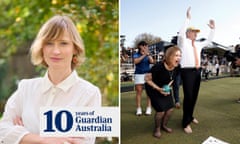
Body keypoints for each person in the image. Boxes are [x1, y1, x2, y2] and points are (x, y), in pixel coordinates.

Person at [0, 15, 101, 144]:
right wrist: (42, 140)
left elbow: (82, 142)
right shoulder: (26, 88)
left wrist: (23, 137)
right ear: (42, 48)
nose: (56, 51)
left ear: (75, 48)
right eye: (49, 43)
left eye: (63, 43)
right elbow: (2, 131)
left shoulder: (89, 93)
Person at [177, 7, 215, 133]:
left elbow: (209, 41)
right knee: (188, 97)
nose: (196, 34)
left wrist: (212, 29)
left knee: (194, 96)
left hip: (197, 72)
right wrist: (187, 19)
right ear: (188, 33)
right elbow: (181, 33)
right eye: (194, 32)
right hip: (186, 72)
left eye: (196, 33)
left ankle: (190, 116)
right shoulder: (183, 42)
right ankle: (185, 123)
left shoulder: (198, 44)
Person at [145, 46, 181, 138]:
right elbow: (147, 79)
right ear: (169, 56)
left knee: (170, 109)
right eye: (176, 55)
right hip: (153, 88)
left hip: (165, 88)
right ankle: (157, 128)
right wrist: (159, 89)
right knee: (160, 111)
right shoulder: (158, 67)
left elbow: (172, 79)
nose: (179, 58)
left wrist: (168, 87)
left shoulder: (177, 67)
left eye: (180, 56)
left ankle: (164, 125)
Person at [133, 41, 154, 116]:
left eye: (146, 46)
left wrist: (148, 55)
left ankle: (149, 108)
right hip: (138, 74)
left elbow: (152, 61)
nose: (145, 47)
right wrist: (144, 55)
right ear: (140, 46)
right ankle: (138, 109)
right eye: (144, 45)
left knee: (149, 92)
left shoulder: (148, 54)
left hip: (147, 75)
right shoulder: (136, 54)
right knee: (139, 92)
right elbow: (136, 62)